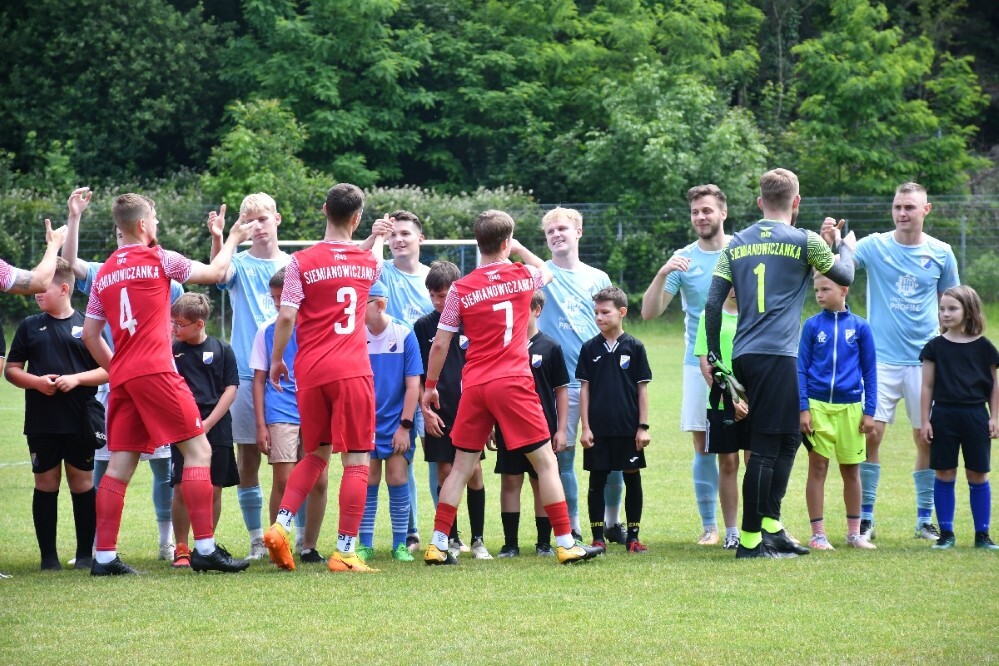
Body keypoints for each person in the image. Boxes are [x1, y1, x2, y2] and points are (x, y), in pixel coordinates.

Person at [81, 193, 252, 575]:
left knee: (119, 464)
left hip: (124, 377)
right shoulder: (159, 258)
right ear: (142, 224)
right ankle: (204, 549)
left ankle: (104, 556)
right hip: (157, 371)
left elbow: (91, 336)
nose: (156, 224)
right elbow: (216, 273)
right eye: (154, 218)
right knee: (199, 452)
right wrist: (234, 238)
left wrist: (120, 367)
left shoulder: (104, 271)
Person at [421, 209, 602, 566]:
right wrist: (518, 249)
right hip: (513, 382)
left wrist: (430, 387)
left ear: (477, 243)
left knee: (461, 466)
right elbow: (547, 271)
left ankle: (438, 544)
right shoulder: (523, 275)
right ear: (506, 242)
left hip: (474, 384)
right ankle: (566, 543)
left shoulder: (460, 288)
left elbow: (441, 343)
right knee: (546, 463)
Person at [704, 167, 856, 559]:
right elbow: (845, 276)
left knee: (790, 438)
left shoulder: (735, 244)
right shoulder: (806, 240)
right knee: (767, 446)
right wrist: (845, 245)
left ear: (759, 202)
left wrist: (717, 357)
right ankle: (752, 542)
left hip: (744, 354)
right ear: (797, 202)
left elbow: (712, 302)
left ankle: (771, 524)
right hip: (777, 356)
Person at [822, 183, 960, 541]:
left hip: (925, 362)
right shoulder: (874, 245)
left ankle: (924, 520)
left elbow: (952, 304)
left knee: (925, 437)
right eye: (898, 206)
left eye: (910, 207)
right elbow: (841, 269)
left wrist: (952, 350)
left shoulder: (942, 253)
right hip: (879, 360)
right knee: (872, 433)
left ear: (925, 210)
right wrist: (834, 243)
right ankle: (865, 519)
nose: (902, 213)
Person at [261, 183, 385, 574]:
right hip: (352, 371)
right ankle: (345, 551)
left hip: (311, 372)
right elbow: (359, 261)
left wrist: (278, 359)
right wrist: (374, 239)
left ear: (323, 210)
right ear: (357, 218)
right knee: (357, 460)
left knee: (315, 455)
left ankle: (281, 527)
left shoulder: (299, 262)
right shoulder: (369, 264)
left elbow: (286, 316)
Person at [62, 187, 179, 561]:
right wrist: (75, 217)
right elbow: (69, 262)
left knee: (161, 464)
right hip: (121, 379)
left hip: (138, 375)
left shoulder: (159, 271)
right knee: (108, 461)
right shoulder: (105, 270)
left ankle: (167, 540)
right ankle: (102, 545)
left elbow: (178, 313)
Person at [209, 192, 298, 559]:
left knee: (295, 461)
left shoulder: (295, 264)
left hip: (292, 375)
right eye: (249, 221)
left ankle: (296, 536)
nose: (256, 227)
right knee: (249, 458)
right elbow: (218, 272)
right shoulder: (240, 265)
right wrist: (220, 237)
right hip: (247, 374)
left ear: (277, 219)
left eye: (262, 219)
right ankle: (257, 539)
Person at [642, 184, 730, 546]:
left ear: (723, 212)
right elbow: (649, 313)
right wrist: (663, 274)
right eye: (695, 212)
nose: (700, 217)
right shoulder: (683, 259)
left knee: (744, 447)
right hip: (698, 364)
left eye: (707, 210)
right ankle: (710, 527)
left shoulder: (743, 250)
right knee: (704, 444)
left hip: (742, 360)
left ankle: (749, 524)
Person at [4, 258, 107, 570]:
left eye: (43, 285)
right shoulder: (29, 326)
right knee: (45, 484)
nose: (37, 291)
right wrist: (36, 383)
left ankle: (85, 555)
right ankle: (48, 558)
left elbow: (108, 369)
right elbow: (11, 370)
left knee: (82, 484)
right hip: (42, 421)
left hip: (80, 421)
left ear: (64, 288)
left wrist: (76, 379)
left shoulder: (87, 327)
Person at [536, 206, 621, 542]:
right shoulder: (540, 275)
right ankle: (571, 526)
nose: (556, 235)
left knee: (611, 458)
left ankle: (612, 523)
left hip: (601, 382)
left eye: (562, 229)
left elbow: (612, 324)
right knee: (564, 458)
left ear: (578, 233)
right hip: (561, 383)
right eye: (550, 232)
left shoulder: (597, 277)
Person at [360, 210, 437, 552]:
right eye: (394, 235)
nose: (399, 239)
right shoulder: (382, 273)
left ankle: (445, 530)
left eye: (406, 233)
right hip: (394, 383)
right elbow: (362, 267)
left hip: (428, 380)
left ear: (420, 238)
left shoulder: (433, 279)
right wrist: (375, 237)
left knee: (435, 458)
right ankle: (410, 532)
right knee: (396, 463)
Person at [249, 268, 327, 564]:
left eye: (283, 297)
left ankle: (309, 545)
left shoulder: (317, 327)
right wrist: (260, 425)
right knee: (284, 479)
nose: (278, 303)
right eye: (274, 298)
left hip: (315, 407)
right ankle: (276, 545)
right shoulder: (267, 331)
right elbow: (258, 380)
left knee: (319, 480)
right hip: (281, 408)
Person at [798, 273, 877, 550]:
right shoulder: (811, 326)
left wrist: (870, 411)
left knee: (851, 470)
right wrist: (803, 408)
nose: (819, 295)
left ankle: (854, 533)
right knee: (817, 467)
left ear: (843, 290)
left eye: (825, 289)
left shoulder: (861, 327)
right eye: (816, 290)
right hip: (818, 407)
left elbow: (870, 371)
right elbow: (801, 369)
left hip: (851, 409)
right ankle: (818, 534)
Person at [414, 261, 486, 557]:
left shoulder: (474, 322)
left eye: (443, 295)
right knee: (445, 472)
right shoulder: (423, 327)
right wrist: (425, 411)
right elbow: (416, 374)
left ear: (457, 292)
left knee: (475, 473)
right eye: (433, 295)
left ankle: (479, 540)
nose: (438, 301)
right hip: (438, 412)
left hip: (471, 409)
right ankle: (453, 539)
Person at [918, 285, 999, 550]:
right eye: (942, 309)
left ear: (969, 311)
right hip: (943, 415)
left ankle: (982, 536)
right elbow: (927, 386)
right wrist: (926, 420)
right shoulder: (934, 347)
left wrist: (994, 416)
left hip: (976, 415)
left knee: (978, 474)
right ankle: (946, 534)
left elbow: (993, 386)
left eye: (952, 308)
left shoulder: (985, 348)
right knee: (944, 472)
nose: (945, 314)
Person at [577, 286, 653, 553]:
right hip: (597, 430)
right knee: (597, 480)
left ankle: (633, 537)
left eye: (605, 312)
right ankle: (597, 537)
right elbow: (584, 389)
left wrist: (643, 427)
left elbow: (642, 389)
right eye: (596, 312)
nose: (599, 317)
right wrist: (585, 427)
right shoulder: (589, 348)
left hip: (628, 430)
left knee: (632, 478)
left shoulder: (635, 347)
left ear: (621, 312)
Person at [168, 293, 240, 567]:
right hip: (183, 427)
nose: (175, 328)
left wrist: (208, 423)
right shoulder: (171, 352)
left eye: (180, 324)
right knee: (181, 488)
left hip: (217, 425)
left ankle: (205, 545)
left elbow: (231, 389)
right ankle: (182, 548)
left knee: (214, 487)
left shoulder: (223, 350)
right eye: (173, 322)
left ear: (199, 324)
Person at [494, 289, 567, 558]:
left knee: (540, 482)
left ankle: (544, 543)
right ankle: (510, 544)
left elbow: (561, 390)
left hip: (542, 429)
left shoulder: (551, 347)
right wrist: (493, 424)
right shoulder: (503, 347)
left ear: (537, 310)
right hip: (508, 427)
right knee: (511, 482)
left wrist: (560, 429)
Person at [357, 281, 423, 562]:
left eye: (362, 304)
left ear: (380, 305)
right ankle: (365, 544)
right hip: (365, 424)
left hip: (397, 424)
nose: (356, 311)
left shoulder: (404, 333)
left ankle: (400, 544)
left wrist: (404, 426)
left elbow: (412, 385)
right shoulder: (356, 335)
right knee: (367, 479)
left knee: (397, 477)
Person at [693, 286, 749, 549]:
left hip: (754, 401)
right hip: (722, 401)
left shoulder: (756, 313)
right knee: (728, 463)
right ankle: (732, 531)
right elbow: (706, 365)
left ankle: (758, 526)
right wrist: (731, 400)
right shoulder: (711, 314)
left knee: (756, 462)